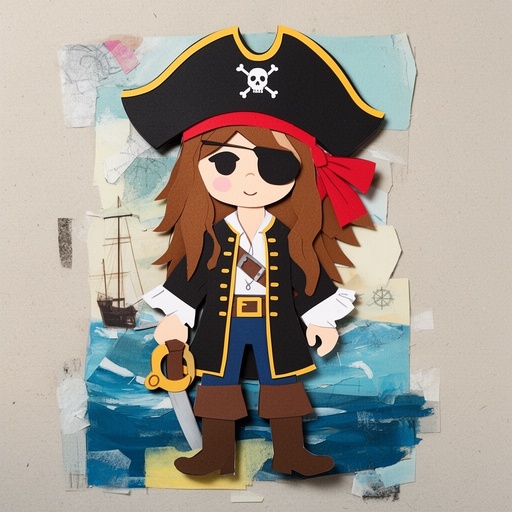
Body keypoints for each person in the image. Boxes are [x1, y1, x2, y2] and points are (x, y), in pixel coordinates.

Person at [122, 26, 384, 477]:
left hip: (275, 320)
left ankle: (291, 452)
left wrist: (319, 318)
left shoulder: (290, 237)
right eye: (225, 162)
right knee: (217, 387)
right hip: (222, 322)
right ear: (197, 166)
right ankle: (216, 454)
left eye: (274, 164)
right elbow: (191, 278)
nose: (248, 179)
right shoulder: (210, 236)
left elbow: (306, 275)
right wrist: (177, 316)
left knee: (283, 386)